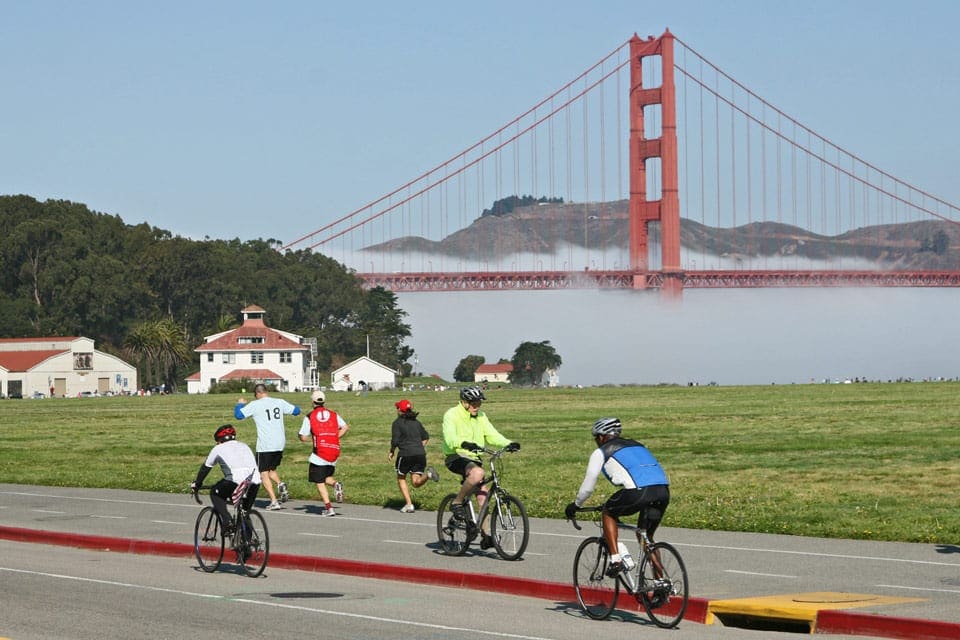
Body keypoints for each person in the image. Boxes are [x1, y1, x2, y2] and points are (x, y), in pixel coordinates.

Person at [565, 417, 670, 578]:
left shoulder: (601, 452)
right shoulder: (637, 444)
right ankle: (661, 581)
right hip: (662, 490)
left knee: (608, 512)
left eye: (596, 439)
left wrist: (576, 505)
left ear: (601, 437)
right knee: (645, 535)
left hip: (639, 491)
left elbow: (587, 487)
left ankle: (616, 560)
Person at [441, 386, 519, 549]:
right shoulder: (451, 415)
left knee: (483, 495)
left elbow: (492, 434)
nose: (477, 405)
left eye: (479, 403)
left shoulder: (481, 416)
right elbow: (449, 438)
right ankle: (457, 502)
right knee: (478, 473)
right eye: (474, 403)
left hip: (474, 458)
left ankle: (486, 536)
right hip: (456, 456)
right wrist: (462, 443)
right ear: (464, 402)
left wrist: (508, 443)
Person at [234, 383, 301, 510]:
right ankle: (280, 483)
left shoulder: (255, 404)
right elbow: (297, 411)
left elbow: (239, 415)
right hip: (280, 443)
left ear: (257, 394)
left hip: (265, 445)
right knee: (271, 469)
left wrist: (240, 404)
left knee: (262, 473)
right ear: (267, 391)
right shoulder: (279, 402)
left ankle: (274, 501)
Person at [190, 424, 262, 535]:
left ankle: (227, 521)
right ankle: (247, 546)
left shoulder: (218, 448)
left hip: (235, 481)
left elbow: (205, 468)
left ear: (220, 440)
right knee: (244, 512)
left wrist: (197, 483)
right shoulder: (244, 446)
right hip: (255, 480)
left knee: (215, 492)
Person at [298, 389, 349, 516]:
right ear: (324, 401)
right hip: (334, 450)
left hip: (319, 453)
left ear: (312, 401)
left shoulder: (310, 416)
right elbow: (345, 427)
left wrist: (312, 438)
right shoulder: (333, 414)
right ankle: (336, 484)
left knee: (319, 481)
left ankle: (328, 507)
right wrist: (335, 437)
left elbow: (303, 436)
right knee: (327, 477)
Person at [389, 398, 439, 513]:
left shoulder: (397, 423)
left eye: (397, 408)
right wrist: (418, 447)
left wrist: (391, 451)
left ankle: (409, 504)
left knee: (401, 477)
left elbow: (395, 440)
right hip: (420, 454)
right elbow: (426, 437)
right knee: (416, 482)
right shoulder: (417, 422)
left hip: (405, 454)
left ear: (400, 411)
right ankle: (429, 475)